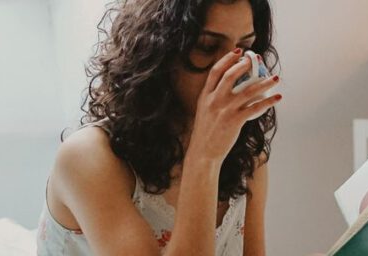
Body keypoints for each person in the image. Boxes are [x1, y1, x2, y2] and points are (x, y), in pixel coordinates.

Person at [36, 0, 281, 255]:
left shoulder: (248, 156)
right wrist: (205, 159)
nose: (235, 69)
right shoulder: (86, 157)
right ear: (157, 52)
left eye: (244, 47)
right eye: (207, 47)